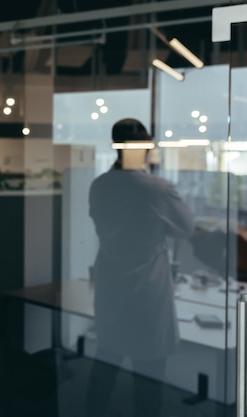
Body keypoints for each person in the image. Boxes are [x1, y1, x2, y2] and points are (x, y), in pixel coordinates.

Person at [85, 118, 195, 417]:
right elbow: (186, 227)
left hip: (111, 286)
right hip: (146, 291)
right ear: (145, 146)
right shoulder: (156, 189)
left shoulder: (100, 185)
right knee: (148, 376)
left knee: (105, 363)